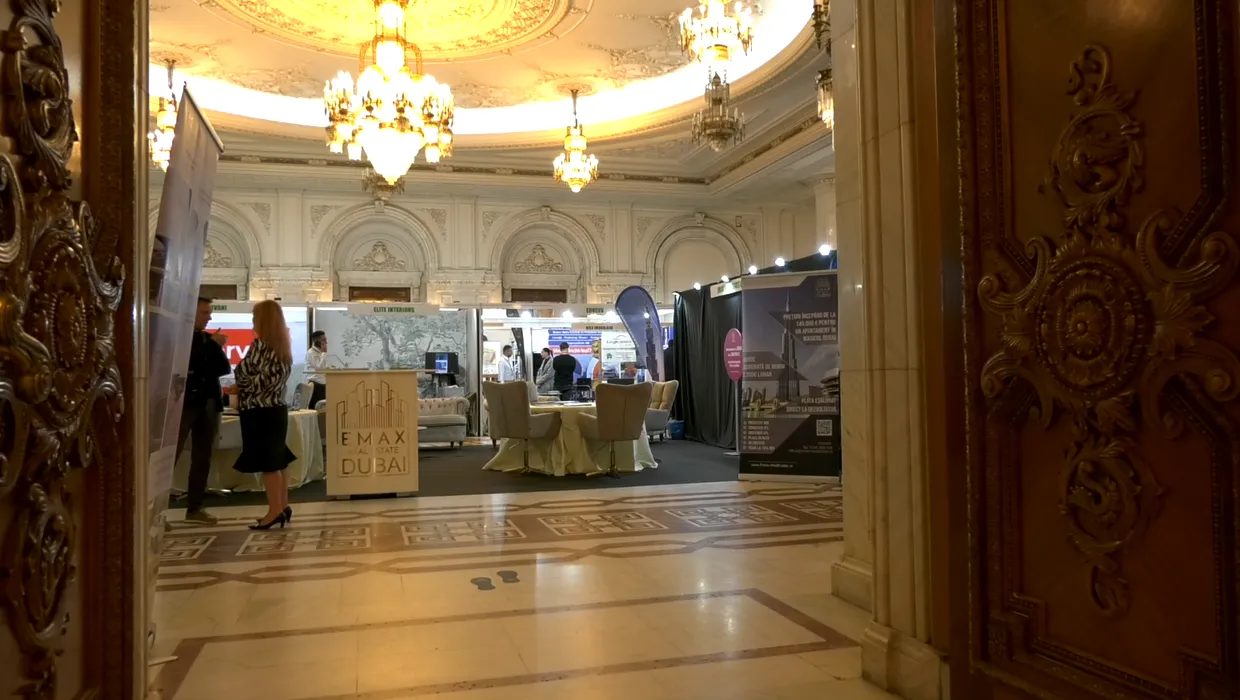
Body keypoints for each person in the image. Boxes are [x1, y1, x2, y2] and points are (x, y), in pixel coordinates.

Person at [225, 300, 296, 530]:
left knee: (269, 464)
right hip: (275, 408)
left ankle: (274, 511)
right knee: (278, 460)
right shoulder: (282, 347)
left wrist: (240, 385)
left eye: (255, 317)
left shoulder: (262, 346)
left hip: (260, 410)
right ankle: (282, 505)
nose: (252, 322)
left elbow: (255, 379)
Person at [176, 297, 231, 524]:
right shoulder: (178, 338)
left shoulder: (206, 339)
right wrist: (212, 347)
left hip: (208, 402)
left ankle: (195, 507)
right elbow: (188, 365)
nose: (209, 317)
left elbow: (223, 367)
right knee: (172, 455)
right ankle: (154, 510)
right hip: (183, 403)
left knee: (203, 457)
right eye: (205, 312)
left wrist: (211, 348)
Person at [305, 330, 328, 408]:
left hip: (323, 383)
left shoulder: (320, 352)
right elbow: (319, 368)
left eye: (325, 340)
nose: (326, 342)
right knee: (315, 408)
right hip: (315, 384)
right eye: (323, 340)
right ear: (316, 341)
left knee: (323, 408)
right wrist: (324, 353)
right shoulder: (311, 353)